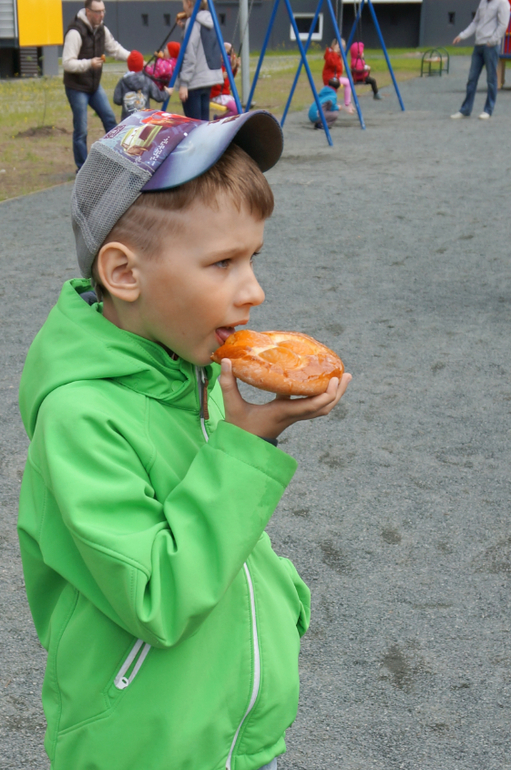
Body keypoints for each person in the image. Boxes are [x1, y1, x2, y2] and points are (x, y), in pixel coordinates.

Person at [17, 108, 352, 770]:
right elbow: (157, 597)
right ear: (124, 274)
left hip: (234, 739)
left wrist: (281, 595)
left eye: (253, 258)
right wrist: (247, 449)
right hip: (142, 749)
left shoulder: (191, 371)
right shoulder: (81, 418)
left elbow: (213, 523)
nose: (253, 291)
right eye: (223, 262)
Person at [63, 0, 130, 171]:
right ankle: (82, 169)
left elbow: (114, 49)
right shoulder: (75, 32)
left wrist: (132, 58)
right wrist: (88, 63)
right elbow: (67, 63)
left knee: (110, 120)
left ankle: (119, 160)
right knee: (81, 129)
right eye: (98, 12)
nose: (101, 15)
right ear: (88, 12)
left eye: (103, 11)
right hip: (76, 87)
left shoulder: (102, 29)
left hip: (94, 86)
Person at [451, 0, 510, 119]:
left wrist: (492, 40)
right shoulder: (483, 2)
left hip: (491, 46)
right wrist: (462, 35)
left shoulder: (502, 3)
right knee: (472, 79)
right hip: (478, 45)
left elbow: (503, 25)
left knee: (491, 79)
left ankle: (488, 110)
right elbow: (475, 22)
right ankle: (465, 110)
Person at [176, 0, 223, 120]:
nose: (183, 7)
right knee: (204, 122)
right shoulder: (210, 20)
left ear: (189, 3)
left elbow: (190, 53)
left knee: (194, 123)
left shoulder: (192, 23)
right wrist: (185, 28)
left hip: (194, 80)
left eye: (183, 3)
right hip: (207, 78)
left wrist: (184, 83)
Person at [113, 50, 166, 120]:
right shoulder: (147, 81)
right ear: (142, 65)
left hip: (127, 121)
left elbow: (117, 100)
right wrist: (167, 92)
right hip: (143, 121)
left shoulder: (123, 81)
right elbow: (159, 97)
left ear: (128, 65)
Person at [322, 38, 354, 113]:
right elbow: (332, 63)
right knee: (348, 83)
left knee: (331, 93)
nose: (341, 49)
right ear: (333, 46)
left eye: (343, 48)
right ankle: (346, 104)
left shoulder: (337, 56)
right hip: (329, 78)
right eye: (339, 47)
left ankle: (346, 103)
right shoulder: (330, 53)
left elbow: (340, 69)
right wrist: (334, 52)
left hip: (334, 77)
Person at [210, 42, 240, 118]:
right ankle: (218, 119)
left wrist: (235, 67)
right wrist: (220, 77)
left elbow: (230, 80)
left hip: (226, 95)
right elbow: (210, 83)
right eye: (228, 54)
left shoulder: (226, 67)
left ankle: (220, 119)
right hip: (217, 95)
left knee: (240, 111)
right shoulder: (215, 66)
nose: (231, 57)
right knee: (236, 110)